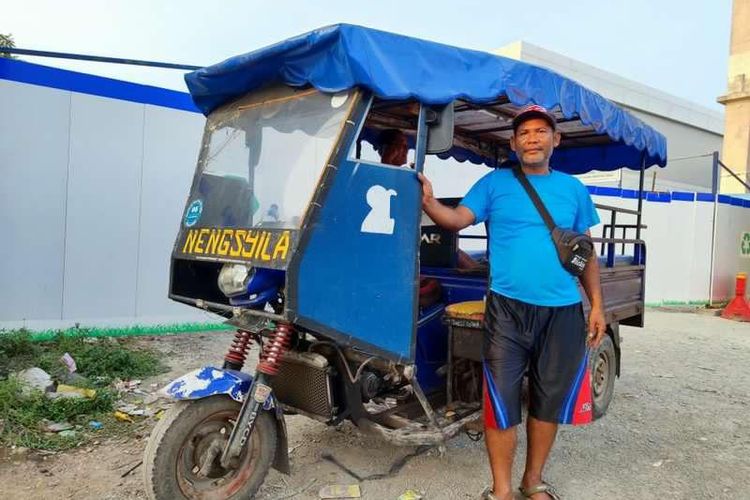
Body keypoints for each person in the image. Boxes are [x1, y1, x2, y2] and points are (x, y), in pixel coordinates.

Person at [418, 105, 606, 500]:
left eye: (541, 131)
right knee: (501, 400)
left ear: (556, 140)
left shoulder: (573, 189)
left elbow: (585, 252)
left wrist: (597, 307)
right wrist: (430, 203)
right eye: (524, 133)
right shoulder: (494, 184)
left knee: (547, 400)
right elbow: (456, 220)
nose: (532, 138)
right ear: (514, 143)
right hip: (507, 310)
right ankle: (501, 490)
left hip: (563, 313)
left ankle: (532, 480)